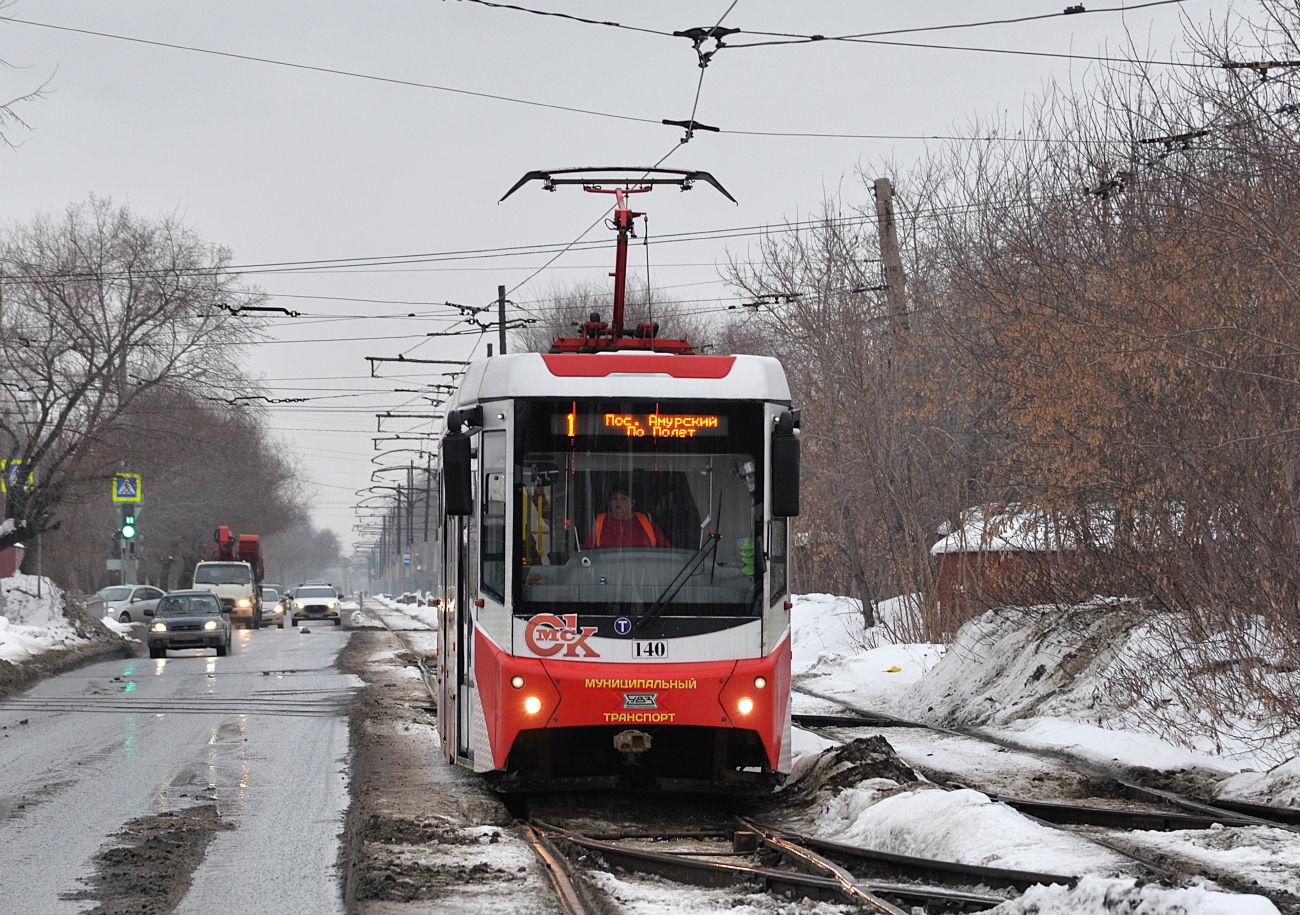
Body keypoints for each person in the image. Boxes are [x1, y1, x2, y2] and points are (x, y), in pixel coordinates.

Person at [584, 488, 671, 548]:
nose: (618, 502)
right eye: (615, 498)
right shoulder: (600, 522)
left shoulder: (647, 523)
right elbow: (588, 551)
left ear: (632, 503)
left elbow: (666, 551)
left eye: (623, 499)